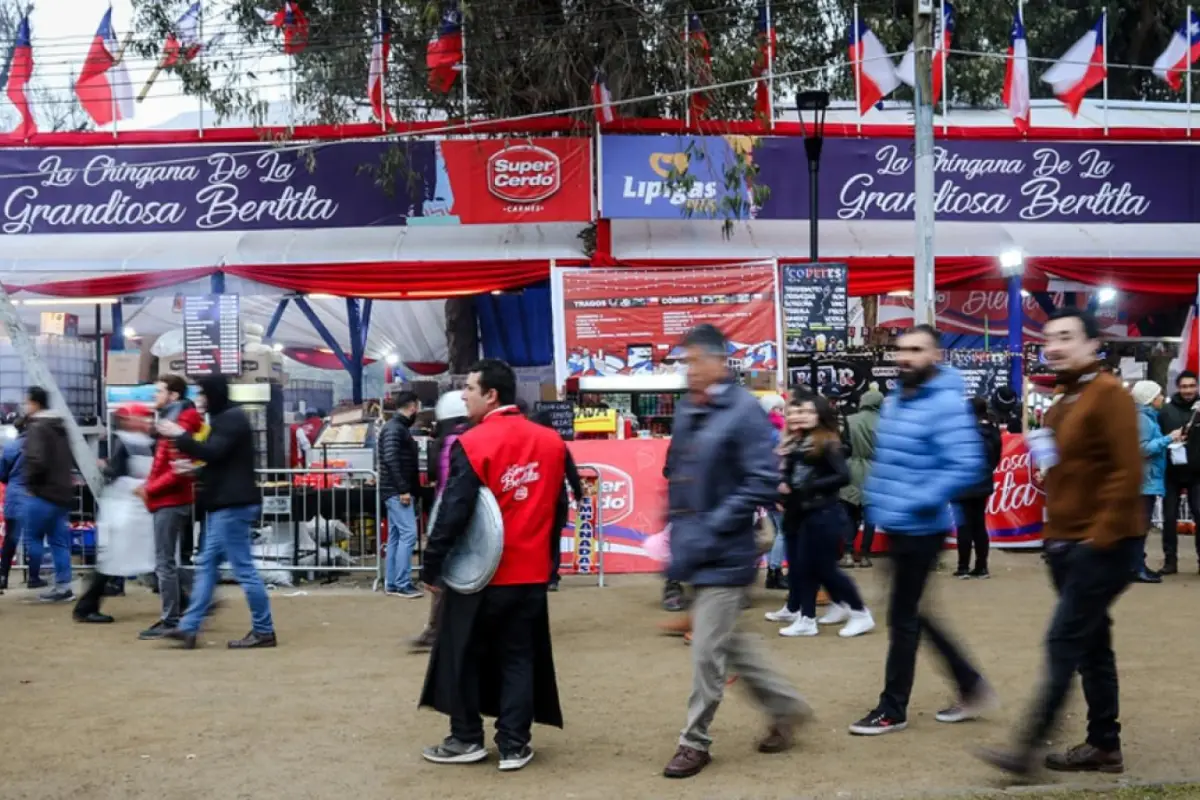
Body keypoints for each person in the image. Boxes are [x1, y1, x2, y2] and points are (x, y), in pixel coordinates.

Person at [978, 308, 1143, 777]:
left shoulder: (1109, 394)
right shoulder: (1062, 399)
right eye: (1049, 338)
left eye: (1066, 337)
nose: (1054, 345)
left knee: (1064, 642)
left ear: (1093, 344)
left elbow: (1127, 472)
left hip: (1103, 545)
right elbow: (1058, 472)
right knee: (1091, 645)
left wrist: (1097, 539)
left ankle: (1024, 750)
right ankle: (1104, 745)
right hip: (1069, 543)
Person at [659, 325, 810, 780]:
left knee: (707, 650)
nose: (686, 370)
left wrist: (714, 523)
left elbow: (762, 480)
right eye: (683, 363)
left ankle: (694, 741)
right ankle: (786, 707)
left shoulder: (744, 411)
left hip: (727, 551)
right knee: (729, 642)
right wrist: (676, 534)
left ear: (718, 361)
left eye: (692, 361)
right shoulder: (689, 409)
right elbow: (679, 473)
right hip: (695, 548)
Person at [419, 359, 566, 772]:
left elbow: (455, 510)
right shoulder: (552, 442)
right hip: (531, 574)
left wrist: (432, 566)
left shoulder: (473, 442)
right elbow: (560, 510)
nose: (463, 395)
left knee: (462, 653)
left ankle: (466, 737)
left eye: (469, 387)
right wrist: (550, 566)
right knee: (519, 657)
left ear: (491, 395)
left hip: (481, 575)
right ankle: (515, 745)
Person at [850, 325, 994, 736]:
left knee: (904, 617)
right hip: (897, 522)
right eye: (901, 349)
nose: (906, 356)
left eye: (916, 349)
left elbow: (966, 464)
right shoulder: (898, 398)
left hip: (922, 526)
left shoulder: (946, 404)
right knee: (914, 614)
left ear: (936, 356)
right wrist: (879, 498)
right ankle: (970, 685)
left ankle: (892, 708)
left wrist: (917, 498)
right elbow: (890, 461)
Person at [156, 374, 276, 650]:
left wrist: (180, 436)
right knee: (209, 565)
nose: (199, 400)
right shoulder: (230, 417)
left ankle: (263, 629)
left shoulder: (229, 419)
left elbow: (214, 452)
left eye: (202, 394)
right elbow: (221, 460)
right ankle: (189, 626)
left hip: (231, 506)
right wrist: (194, 469)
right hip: (231, 504)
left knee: (241, 569)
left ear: (213, 394)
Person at [765, 391, 874, 639]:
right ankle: (809, 616)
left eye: (805, 412)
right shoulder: (798, 441)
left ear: (818, 414)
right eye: (794, 412)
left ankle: (858, 611)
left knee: (824, 569)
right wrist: (784, 485)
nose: (798, 416)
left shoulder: (827, 441)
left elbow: (842, 475)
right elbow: (790, 475)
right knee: (808, 568)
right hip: (804, 512)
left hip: (823, 512)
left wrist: (809, 486)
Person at [74, 405, 157, 624]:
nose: (147, 422)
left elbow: (113, 470)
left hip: (135, 509)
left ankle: (186, 601)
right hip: (126, 510)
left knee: (151, 557)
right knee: (116, 560)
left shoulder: (138, 443)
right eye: (143, 418)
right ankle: (85, 607)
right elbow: (116, 472)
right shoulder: (130, 443)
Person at [138, 375, 205, 639]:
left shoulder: (176, 426)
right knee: (171, 561)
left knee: (164, 562)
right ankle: (191, 604)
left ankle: (172, 618)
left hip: (169, 500)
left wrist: (149, 489)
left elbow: (175, 469)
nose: (154, 396)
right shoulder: (178, 422)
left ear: (174, 395)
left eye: (159, 391)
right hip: (175, 500)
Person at [409, 391, 470, 654]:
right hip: (466, 510)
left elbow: (434, 476)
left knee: (443, 573)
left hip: (444, 509)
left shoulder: (442, 443)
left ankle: (436, 628)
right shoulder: (471, 439)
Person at [22, 386, 77, 603]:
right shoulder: (60, 426)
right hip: (62, 493)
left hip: (42, 492)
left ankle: (38, 577)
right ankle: (63, 586)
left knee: (32, 538)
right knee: (59, 542)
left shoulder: (38, 428)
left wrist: (30, 485)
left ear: (34, 403)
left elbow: (36, 460)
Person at [530, 408, 583, 592]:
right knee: (554, 540)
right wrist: (578, 494)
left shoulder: (529, 444)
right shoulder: (559, 444)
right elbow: (571, 472)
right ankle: (552, 577)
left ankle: (537, 576)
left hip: (534, 499)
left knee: (536, 539)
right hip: (556, 499)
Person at [1131, 380, 1177, 584]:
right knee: (1141, 526)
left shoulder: (1145, 417)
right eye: (1158, 395)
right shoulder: (1144, 420)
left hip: (1145, 479)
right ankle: (1137, 567)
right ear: (1149, 398)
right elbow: (1143, 449)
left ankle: (1137, 565)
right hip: (1145, 480)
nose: (1162, 398)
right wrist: (1169, 439)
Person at [379, 391, 423, 598]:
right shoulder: (396, 429)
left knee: (396, 536)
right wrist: (404, 489)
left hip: (394, 490)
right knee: (409, 534)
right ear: (413, 406)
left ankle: (392, 582)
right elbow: (391, 459)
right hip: (397, 491)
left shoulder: (395, 428)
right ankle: (402, 583)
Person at [1156, 370, 1200, 575]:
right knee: (1169, 517)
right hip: (1171, 473)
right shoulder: (1165, 411)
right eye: (1184, 386)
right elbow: (1157, 439)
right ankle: (1170, 561)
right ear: (1178, 387)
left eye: (1192, 386)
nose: (1188, 390)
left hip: (1197, 474)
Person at [955, 396, 1002, 579]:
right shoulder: (993, 431)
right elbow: (996, 458)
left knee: (964, 526)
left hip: (963, 483)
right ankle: (982, 567)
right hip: (983, 482)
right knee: (979, 525)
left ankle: (963, 567)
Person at [839, 387, 883, 568]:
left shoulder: (849, 420)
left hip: (852, 468)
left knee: (850, 513)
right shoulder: (885, 422)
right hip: (875, 471)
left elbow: (842, 446)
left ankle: (848, 553)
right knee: (870, 516)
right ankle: (864, 555)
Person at [760, 394, 789, 590]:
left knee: (777, 530)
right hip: (777, 487)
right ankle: (774, 571)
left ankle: (773, 570)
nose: (782, 412)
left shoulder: (760, 432)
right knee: (783, 531)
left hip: (765, 487)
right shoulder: (776, 433)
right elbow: (778, 464)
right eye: (778, 409)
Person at [0, 416, 28, 592]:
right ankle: (34, 576)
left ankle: (3, 576)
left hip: (16, 495)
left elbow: (2, 474)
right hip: (38, 495)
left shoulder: (11, 447)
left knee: (11, 538)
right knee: (41, 537)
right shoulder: (39, 445)